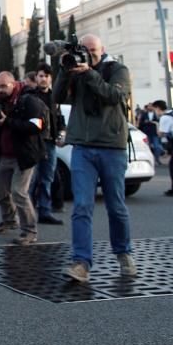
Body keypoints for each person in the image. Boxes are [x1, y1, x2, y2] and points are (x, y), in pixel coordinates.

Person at [53, 34, 135, 283]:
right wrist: (65, 70)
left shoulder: (117, 69)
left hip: (112, 145)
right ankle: (81, 263)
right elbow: (57, 97)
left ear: (103, 49)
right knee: (81, 207)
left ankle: (124, 253)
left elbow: (114, 95)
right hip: (83, 146)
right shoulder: (75, 71)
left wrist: (88, 72)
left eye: (93, 50)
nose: (89, 54)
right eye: (85, 50)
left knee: (116, 205)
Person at [0, 71, 46, 245]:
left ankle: (30, 231)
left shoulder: (29, 100)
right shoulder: (0, 102)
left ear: (13, 84)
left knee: (19, 193)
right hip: (5, 154)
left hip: (24, 155)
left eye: (3, 86)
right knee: (2, 192)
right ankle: (9, 221)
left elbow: (36, 126)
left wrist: (7, 122)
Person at [28, 63, 66, 225]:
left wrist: (62, 133)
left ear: (51, 78)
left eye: (47, 76)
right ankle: (27, 215)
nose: (44, 79)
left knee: (47, 178)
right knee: (30, 180)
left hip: (50, 143)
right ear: (36, 77)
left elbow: (59, 118)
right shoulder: (29, 96)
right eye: (41, 75)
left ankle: (45, 211)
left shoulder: (54, 97)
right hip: (33, 142)